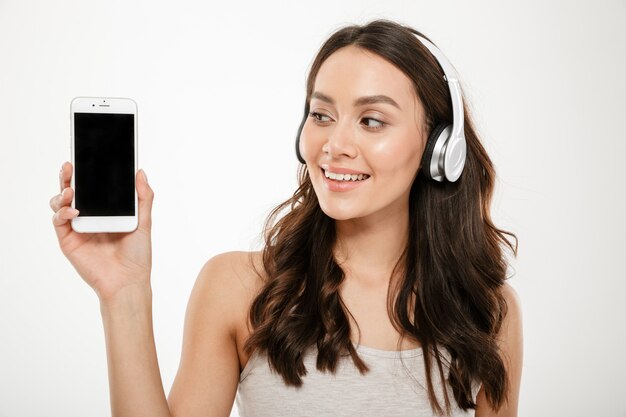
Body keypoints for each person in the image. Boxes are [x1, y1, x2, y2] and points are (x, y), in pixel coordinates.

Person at [50, 19, 522, 417]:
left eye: (371, 120)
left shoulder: (489, 311)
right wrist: (123, 292)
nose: (334, 145)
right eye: (321, 115)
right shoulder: (239, 287)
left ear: (440, 149)